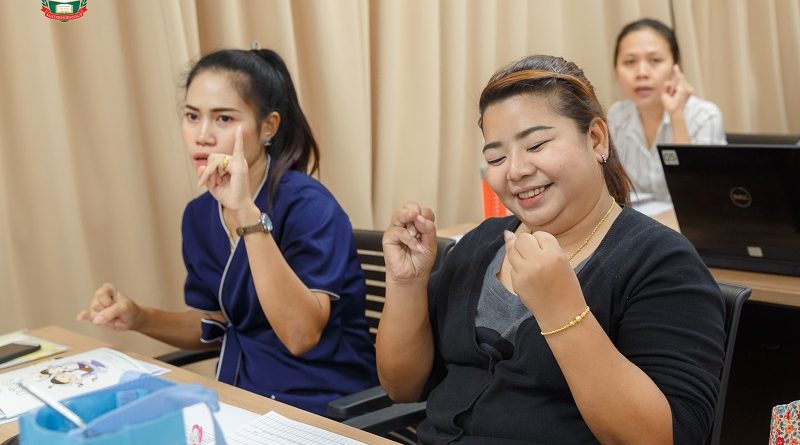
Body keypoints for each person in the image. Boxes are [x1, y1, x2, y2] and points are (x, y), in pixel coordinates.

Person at [378, 54, 726, 444]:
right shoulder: (481, 245)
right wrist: (407, 285)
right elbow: (401, 387)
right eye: (496, 157)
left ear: (596, 139)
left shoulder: (661, 262)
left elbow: (666, 437)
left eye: (537, 144)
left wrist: (562, 310)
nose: (516, 169)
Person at [77, 48, 377, 415]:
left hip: (322, 402)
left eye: (223, 118)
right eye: (192, 116)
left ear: (269, 127)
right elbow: (218, 323)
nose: (202, 135)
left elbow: (301, 335)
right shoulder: (199, 216)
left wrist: (246, 213)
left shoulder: (308, 205)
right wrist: (139, 316)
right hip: (240, 395)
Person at [609, 18, 726, 201]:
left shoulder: (705, 116)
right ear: (616, 69)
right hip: (639, 217)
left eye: (654, 60)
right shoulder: (617, 115)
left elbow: (697, 191)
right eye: (630, 62)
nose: (642, 73)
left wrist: (676, 115)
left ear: (676, 67)